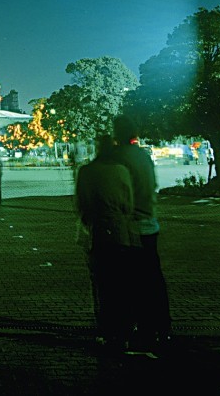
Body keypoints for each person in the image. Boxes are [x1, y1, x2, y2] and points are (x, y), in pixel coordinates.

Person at [113, 114, 172, 353]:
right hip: (150, 222)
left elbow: (118, 192)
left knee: (132, 280)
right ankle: (162, 325)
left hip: (132, 225)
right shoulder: (144, 156)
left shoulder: (120, 157)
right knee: (153, 277)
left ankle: (143, 330)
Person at [75, 135, 136, 352]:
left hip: (97, 233)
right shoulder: (121, 170)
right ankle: (124, 330)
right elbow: (128, 204)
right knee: (122, 283)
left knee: (100, 284)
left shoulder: (86, 171)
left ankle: (105, 330)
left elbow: (81, 204)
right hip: (120, 233)